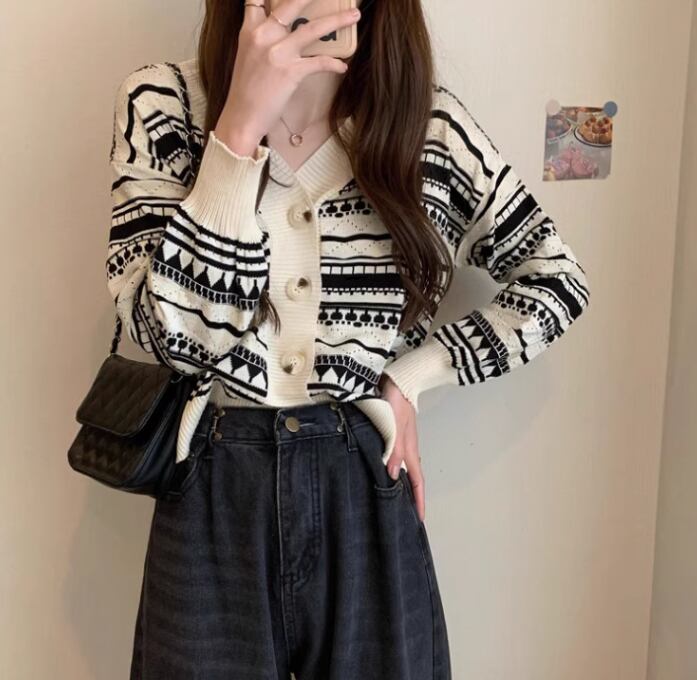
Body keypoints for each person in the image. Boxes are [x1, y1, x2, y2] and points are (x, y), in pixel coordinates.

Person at [106, 0, 591, 677]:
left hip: (363, 475)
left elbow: (556, 280)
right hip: (211, 483)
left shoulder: (425, 127)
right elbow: (172, 340)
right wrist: (237, 131)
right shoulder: (164, 106)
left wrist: (410, 378)